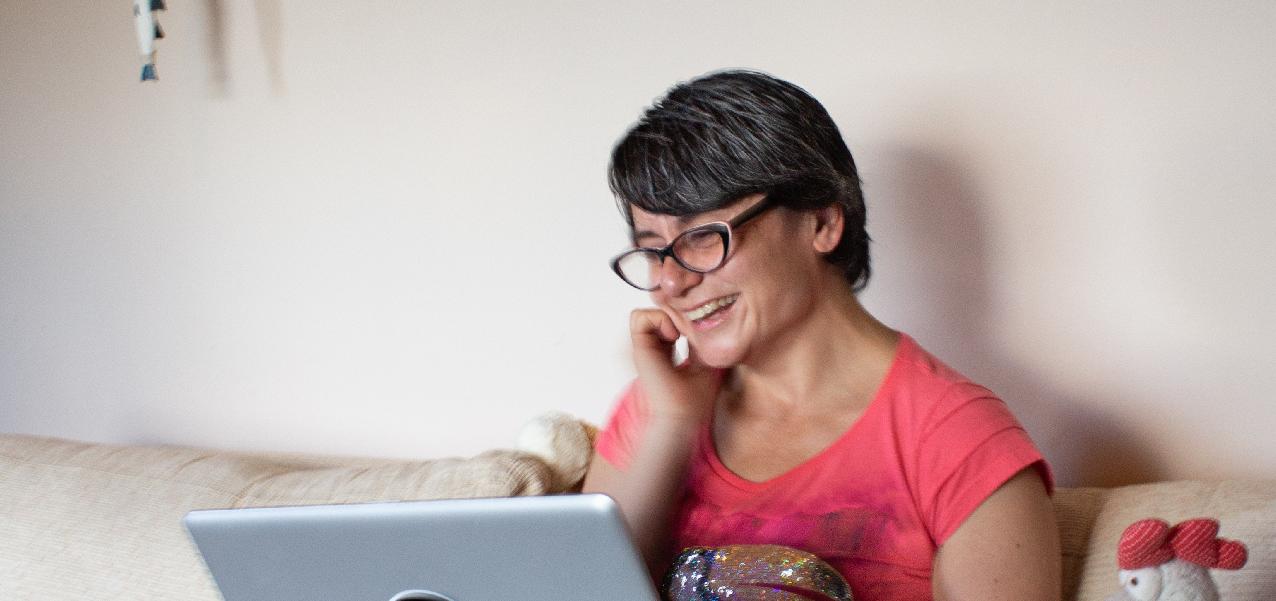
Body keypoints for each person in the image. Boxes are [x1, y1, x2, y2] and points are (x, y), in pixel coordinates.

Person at [582, 70, 1062, 601]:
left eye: (702, 236)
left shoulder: (959, 442)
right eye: (653, 249)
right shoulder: (655, 409)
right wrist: (671, 423)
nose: (671, 280)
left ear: (822, 223)